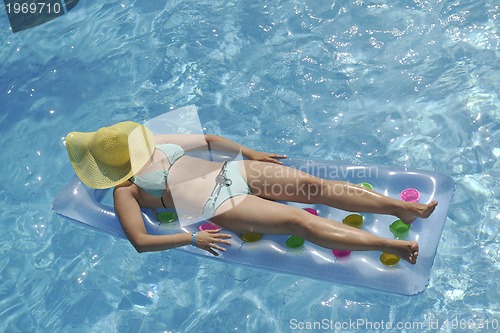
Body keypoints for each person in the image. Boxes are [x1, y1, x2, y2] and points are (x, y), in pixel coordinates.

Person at [65, 121, 438, 264]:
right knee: (297, 221)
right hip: (222, 202)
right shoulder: (124, 192)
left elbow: (209, 138)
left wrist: (250, 153)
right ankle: (392, 247)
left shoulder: (155, 138)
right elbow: (141, 242)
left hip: (234, 172)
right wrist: (192, 238)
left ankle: (404, 210)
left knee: (315, 186)